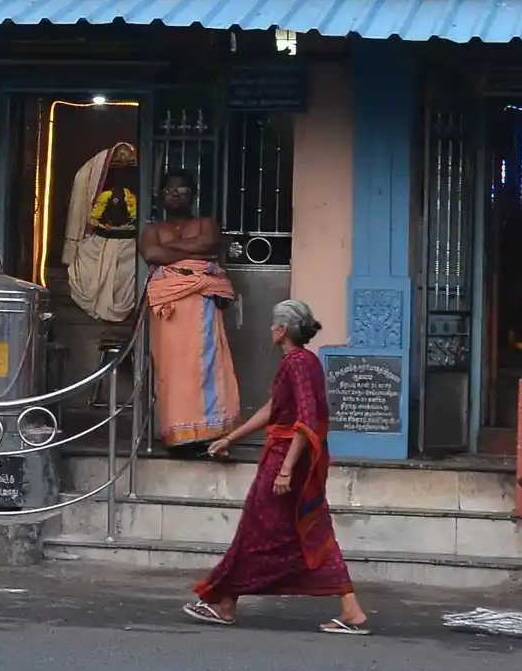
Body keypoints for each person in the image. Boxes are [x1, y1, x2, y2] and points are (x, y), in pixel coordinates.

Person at [183, 299, 370, 634]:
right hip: (286, 455)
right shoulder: (303, 362)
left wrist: (285, 469)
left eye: (273, 325)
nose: (270, 329)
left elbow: (304, 420)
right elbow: (274, 408)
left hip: (286, 459)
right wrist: (231, 438)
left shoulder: (298, 364)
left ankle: (225, 599)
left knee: (259, 531)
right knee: (303, 531)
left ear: (282, 330)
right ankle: (349, 609)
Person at [139, 168, 240, 450]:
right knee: (173, 372)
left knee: (205, 365)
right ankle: (179, 438)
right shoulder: (151, 231)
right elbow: (151, 253)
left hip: (202, 306)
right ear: (159, 195)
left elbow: (208, 243)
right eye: (168, 188)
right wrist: (195, 252)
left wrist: (171, 251)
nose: (174, 193)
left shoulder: (206, 223)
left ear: (193, 195)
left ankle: (210, 435)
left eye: (181, 188)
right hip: (168, 311)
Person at [60, 140, 141, 323]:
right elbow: (93, 214)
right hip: (100, 238)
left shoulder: (131, 197)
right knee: (85, 265)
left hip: (129, 242)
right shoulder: (102, 192)